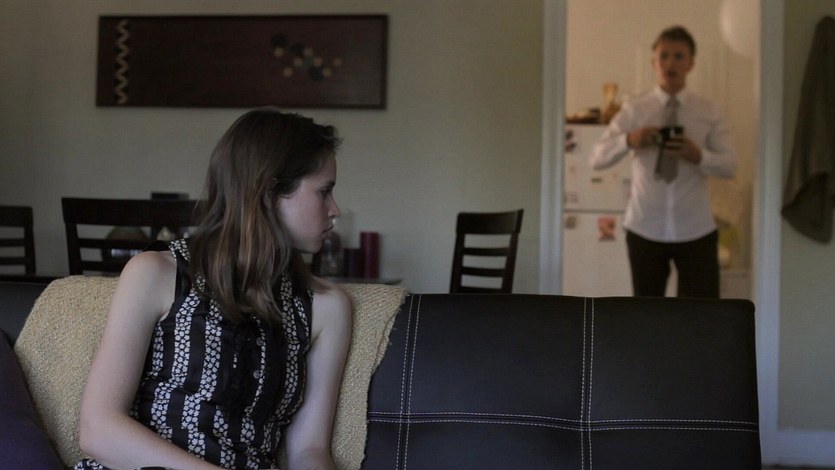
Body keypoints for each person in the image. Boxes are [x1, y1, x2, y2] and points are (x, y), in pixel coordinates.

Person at [74, 108, 352, 470]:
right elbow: (98, 429)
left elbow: (309, 450)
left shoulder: (326, 307)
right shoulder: (156, 273)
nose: (335, 209)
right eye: (324, 191)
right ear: (269, 192)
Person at [589, 25, 736, 298]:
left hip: (696, 229)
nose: (670, 63)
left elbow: (730, 166)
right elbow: (596, 158)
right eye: (664, 56)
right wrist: (629, 140)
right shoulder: (634, 109)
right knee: (647, 315)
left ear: (690, 63)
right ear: (653, 63)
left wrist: (698, 156)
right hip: (645, 226)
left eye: (679, 56)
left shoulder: (710, 111)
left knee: (701, 315)